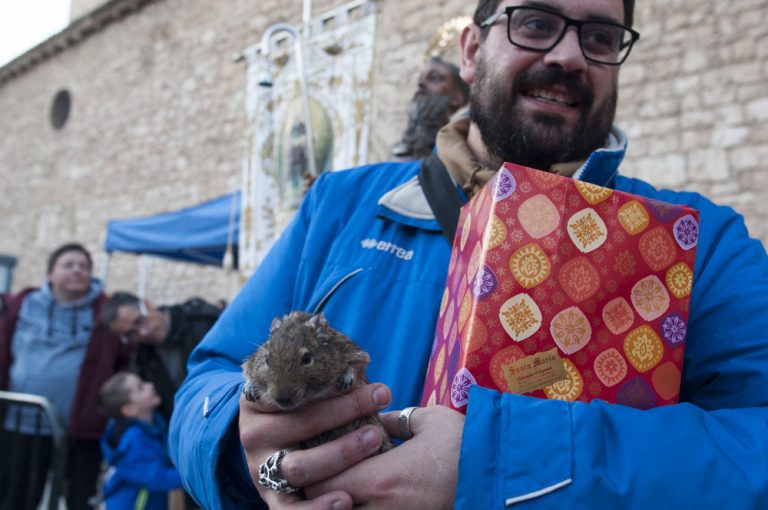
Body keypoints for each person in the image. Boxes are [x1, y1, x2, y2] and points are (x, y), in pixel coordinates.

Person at [169, 0, 768, 508]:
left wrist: (501, 461)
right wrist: (246, 451)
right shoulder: (339, 205)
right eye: (535, 23)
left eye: (600, 37)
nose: (567, 56)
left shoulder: (698, 242)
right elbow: (206, 385)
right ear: (472, 50)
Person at [0, 243, 132, 510]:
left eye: (84, 266)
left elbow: (125, 357)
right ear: (50, 273)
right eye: (68, 265)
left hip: (80, 429)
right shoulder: (23, 304)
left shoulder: (105, 312)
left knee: (78, 501)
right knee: (15, 498)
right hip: (20, 423)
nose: (77, 271)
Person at [101, 292, 222, 421]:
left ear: (146, 304)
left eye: (139, 321)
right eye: (131, 334)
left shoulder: (203, 321)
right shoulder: (141, 362)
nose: (143, 332)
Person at [98, 371, 183, 510]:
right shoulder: (134, 440)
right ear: (129, 409)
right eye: (141, 387)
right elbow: (156, 479)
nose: (150, 385)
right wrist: (192, 473)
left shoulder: (153, 425)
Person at [391, 56, 470, 160]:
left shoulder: (457, 154)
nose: (421, 83)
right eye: (420, 77)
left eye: (434, 78)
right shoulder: (396, 153)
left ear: (456, 98)